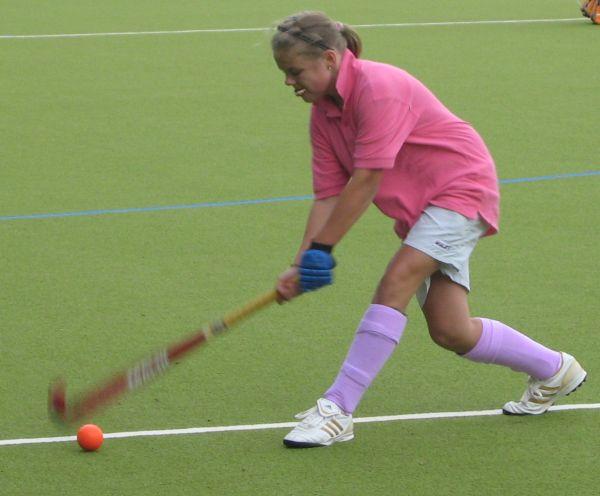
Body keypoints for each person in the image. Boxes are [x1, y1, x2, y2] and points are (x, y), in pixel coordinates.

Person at [271, 11, 587, 448]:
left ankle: (337, 408)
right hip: (420, 211)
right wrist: (301, 262)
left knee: (395, 281)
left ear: (329, 59)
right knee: (450, 330)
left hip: (460, 189)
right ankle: (554, 370)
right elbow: (328, 195)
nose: (289, 82)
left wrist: (322, 250)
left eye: (294, 71)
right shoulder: (323, 116)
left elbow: (366, 180)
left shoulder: (378, 88)